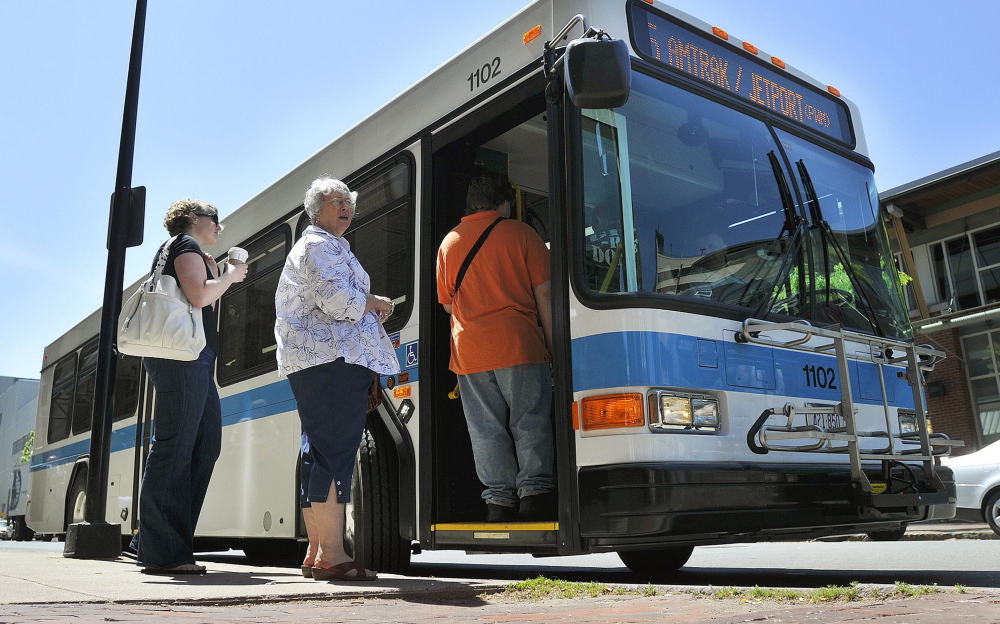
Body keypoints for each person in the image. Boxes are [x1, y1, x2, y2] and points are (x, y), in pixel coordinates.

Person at [274, 177, 399, 582]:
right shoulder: (319, 245)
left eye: (348, 201)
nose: (345, 207)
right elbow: (339, 301)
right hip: (332, 360)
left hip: (319, 360)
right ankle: (331, 552)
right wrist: (375, 302)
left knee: (318, 454)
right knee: (335, 455)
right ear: (315, 209)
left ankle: (316, 551)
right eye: (334, 201)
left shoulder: (324, 246)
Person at [131, 199, 248, 574]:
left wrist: (219, 277)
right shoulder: (184, 245)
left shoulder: (192, 252)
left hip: (194, 358)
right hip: (182, 359)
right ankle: (164, 552)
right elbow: (198, 296)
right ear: (193, 219)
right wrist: (230, 275)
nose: (220, 226)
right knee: (177, 446)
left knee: (203, 444)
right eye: (215, 219)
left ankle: (149, 540)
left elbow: (201, 297)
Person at [436, 169, 556, 522]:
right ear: (505, 201)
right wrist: (555, 347)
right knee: (529, 419)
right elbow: (545, 294)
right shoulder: (522, 234)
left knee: (485, 428)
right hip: (518, 345)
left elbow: (447, 304)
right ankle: (534, 494)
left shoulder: (450, 242)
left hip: (469, 352)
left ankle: (498, 503)